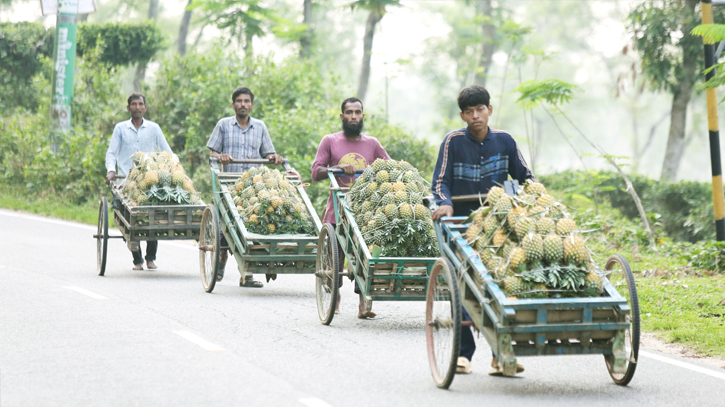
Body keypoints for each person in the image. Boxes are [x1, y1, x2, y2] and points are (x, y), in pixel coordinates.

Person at [431, 85, 535, 375]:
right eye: (469, 111)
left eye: (480, 109)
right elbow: (440, 181)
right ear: (463, 115)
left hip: (496, 225)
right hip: (461, 225)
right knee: (463, 286)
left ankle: (500, 354)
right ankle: (463, 355)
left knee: (498, 284)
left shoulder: (505, 141)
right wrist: (446, 203)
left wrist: (520, 201)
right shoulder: (453, 141)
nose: (475, 116)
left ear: (489, 110)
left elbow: (525, 177)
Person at [311, 97, 391, 319]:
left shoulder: (372, 143)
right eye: (349, 112)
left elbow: (389, 167)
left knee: (364, 256)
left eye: (357, 112)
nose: (353, 116)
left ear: (363, 116)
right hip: (337, 210)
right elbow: (315, 172)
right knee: (335, 256)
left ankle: (363, 303)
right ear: (342, 116)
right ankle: (334, 298)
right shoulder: (330, 141)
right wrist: (335, 168)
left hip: (365, 211)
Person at [207, 86, 286, 288]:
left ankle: (247, 273)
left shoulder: (260, 127)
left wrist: (272, 157)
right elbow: (212, 154)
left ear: (251, 104)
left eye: (247, 101)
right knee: (226, 226)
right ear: (233, 104)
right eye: (239, 101)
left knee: (252, 224)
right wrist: (220, 156)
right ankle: (222, 257)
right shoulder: (223, 125)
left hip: (253, 186)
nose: (243, 104)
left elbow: (268, 153)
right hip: (228, 184)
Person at [105, 93, 173, 271]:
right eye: (133, 104)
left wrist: (171, 168)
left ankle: (150, 258)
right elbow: (112, 152)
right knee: (124, 211)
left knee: (154, 214)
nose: (137, 107)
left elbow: (166, 151)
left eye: (140, 104)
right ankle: (136, 257)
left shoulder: (154, 128)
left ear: (145, 107)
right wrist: (111, 170)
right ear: (128, 108)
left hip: (149, 180)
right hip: (125, 181)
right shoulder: (120, 128)